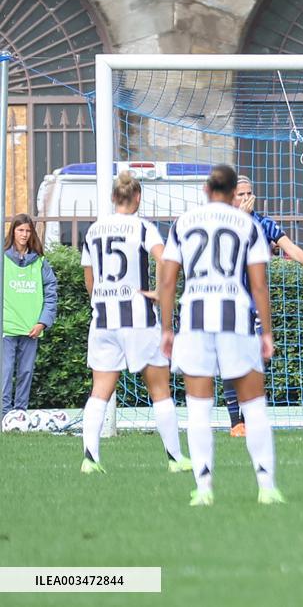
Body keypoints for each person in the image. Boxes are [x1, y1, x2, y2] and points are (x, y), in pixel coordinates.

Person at [159, 164, 282, 506]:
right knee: (254, 405)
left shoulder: (183, 223)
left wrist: (167, 328)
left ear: (205, 190)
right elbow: (259, 285)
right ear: (232, 193)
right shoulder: (248, 224)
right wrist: (267, 332)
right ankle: (266, 486)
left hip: (194, 319)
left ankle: (204, 488)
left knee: (198, 408)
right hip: (236, 319)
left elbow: (168, 281)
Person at [79, 171, 191, 474]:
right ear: (137, 197)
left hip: (103, 319)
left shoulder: (93, 231)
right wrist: (159, 291)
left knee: (100, 389)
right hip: (138, 319)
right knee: (160, 390)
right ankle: (174, 458)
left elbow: (89, 276)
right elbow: (166, 260)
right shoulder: (144, 228)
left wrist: (100, 297)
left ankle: (90, 459)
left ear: (114, 198)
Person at [221, 175, 303, 437]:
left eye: (249, 193)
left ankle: (251, 414)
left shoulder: (263, 222)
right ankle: (236, 421)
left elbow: (291, 247)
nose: (246, 199)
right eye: (240, 194)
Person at [2, 214, 57, 417]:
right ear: (13, 232)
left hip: (31, 329)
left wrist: (43, 322)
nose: (24, 234)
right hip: (6, 329)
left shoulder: (40, 262)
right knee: (5, 374)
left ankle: (20, 415)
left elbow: (51, 293)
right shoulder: (3, 259)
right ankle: (4, 416)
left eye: (27, 230)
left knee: (25, 373)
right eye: (20, 230)